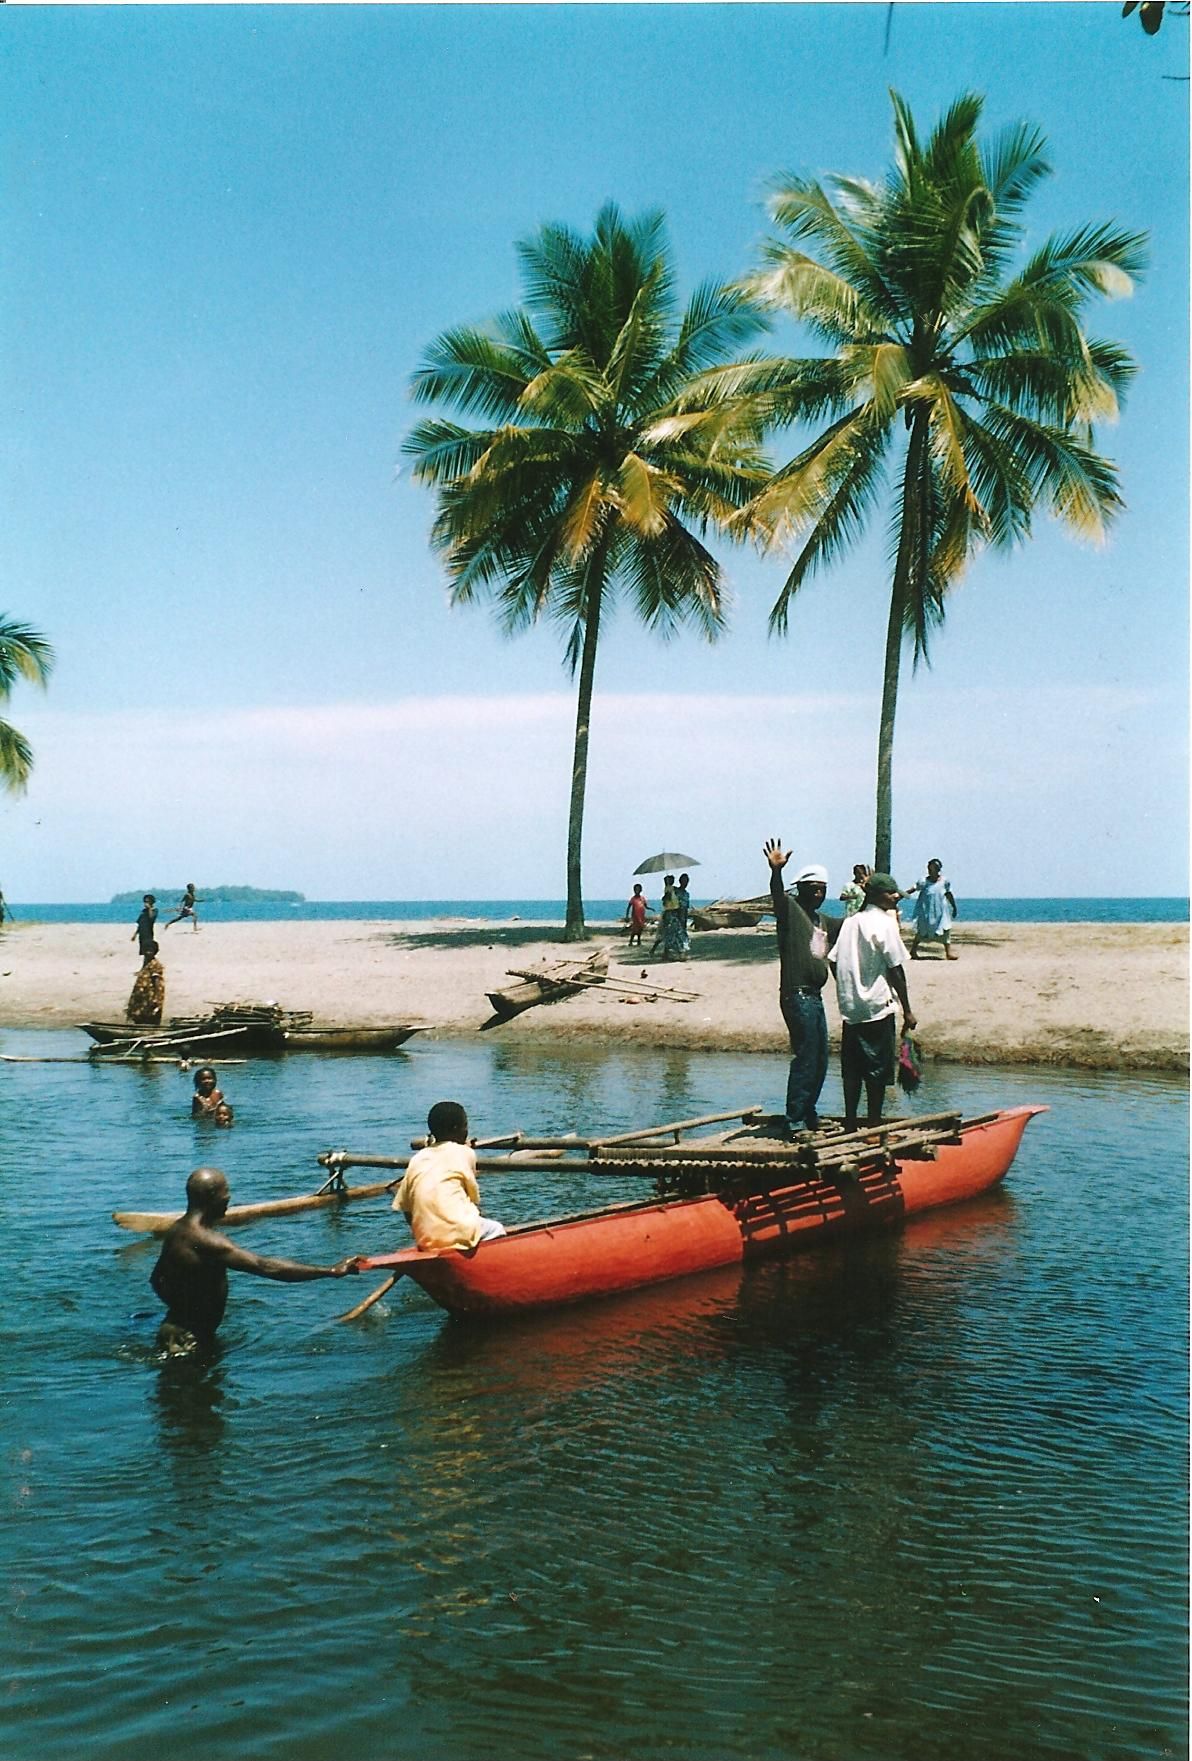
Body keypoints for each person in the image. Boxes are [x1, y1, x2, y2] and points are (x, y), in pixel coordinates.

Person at [150, 1166, 357, 1354]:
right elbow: (266, 1267)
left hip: (173, 1331)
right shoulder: (210, 1242)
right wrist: (331, 1271)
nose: (229, 1197)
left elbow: (156, 1279)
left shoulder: (176, 1231)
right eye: (225, 1191)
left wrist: (181, 1312)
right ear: (211, 1196)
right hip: (189, 1341)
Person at [829, 872, 917, 1132]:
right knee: (877, 1070)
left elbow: (834, 960)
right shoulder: (885, 923)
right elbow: (896, 969)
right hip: (877, 1007)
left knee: (852, 1071)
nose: (896, 898)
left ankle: (851, 1124)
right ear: (879, 895)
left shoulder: (851, 922)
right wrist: (908, 1010)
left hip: (851, 1008)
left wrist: (850, 987)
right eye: (892, 894)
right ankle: (875, 1124)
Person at [764, 840, 838, 1134]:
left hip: (815, 998)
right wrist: (776, 872)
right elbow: (777, 897)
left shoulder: (823, 921)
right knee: (806, 1055)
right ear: (802, 889)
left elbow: (853, 924)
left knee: (821, 1057)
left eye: (823, 889)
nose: (818, 894)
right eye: (814, 888)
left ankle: (808, 1112)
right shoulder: (790, 910)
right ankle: (795, 1118)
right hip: (796, 995)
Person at [392, 1101, 505, 1252]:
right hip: (460, 1229)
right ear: (456, 1129)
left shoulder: (417, 1158)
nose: (467, 1131)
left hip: (426, 1239)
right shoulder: (466, 1153)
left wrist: (422, 1234)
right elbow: (472, 1199)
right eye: (465, 1126)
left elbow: (406, 1209)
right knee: (497, 1228)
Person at [905, 859, 958, 960]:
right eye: (929, 869)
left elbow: (948, 894)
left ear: (938, 869)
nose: (930, 871)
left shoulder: (944, 881)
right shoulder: (923, 881)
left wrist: (954, 907)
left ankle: (948, 953)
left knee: (945, 930)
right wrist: (901, 895)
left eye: (933, 869)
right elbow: (913, 889)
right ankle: (913, 951)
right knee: (921, 931)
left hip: (941, 911)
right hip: (926, 911)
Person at [126, 942, 166, 1026]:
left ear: (155, 952)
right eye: (146, 951)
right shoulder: (145, 965)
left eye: (150, 951)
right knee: (139, 1020)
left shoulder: (156, 965)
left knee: (148, 1021)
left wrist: (156, 1002)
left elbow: (159, 985)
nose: (148, 953)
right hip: (140, 1002)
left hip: (149, 1002)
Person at [650, 875, 685, 960]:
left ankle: (666, 953)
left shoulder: (671, 889)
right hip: (670, 913)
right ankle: (677, 953)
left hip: (671, 912)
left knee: (668, 934)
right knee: (673, 933)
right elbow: (666, 901)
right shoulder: (668, 889)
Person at [674, 873, 693, 958]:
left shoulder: (686, 894)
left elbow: (686, 907)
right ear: (680, 881)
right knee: (674, 935)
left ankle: (682, 953)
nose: (685, 883)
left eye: (686, 882)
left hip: (683, 916)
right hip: (675, 915)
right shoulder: (674, 891)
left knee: (682, 934)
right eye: (684, 881)